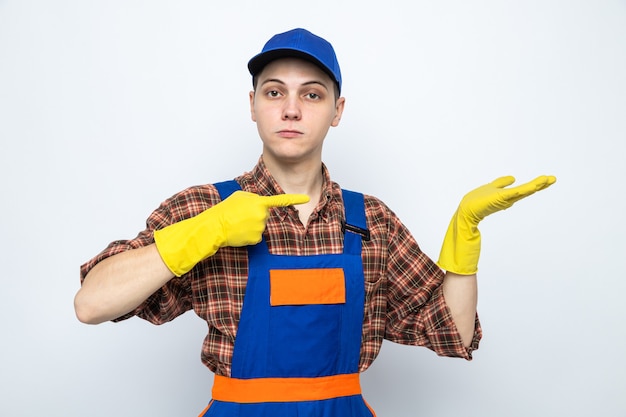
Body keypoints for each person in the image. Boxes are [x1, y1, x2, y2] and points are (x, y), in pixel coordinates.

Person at [75, 28, 556, 416]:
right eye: (274, 92)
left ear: (337, 111)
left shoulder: (371, 222)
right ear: (253, 105)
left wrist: (464, 241)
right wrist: (207, 231)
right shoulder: (205, 208)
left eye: (311, 94)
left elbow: (452, 329)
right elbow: (92, 303)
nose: (290, 108)